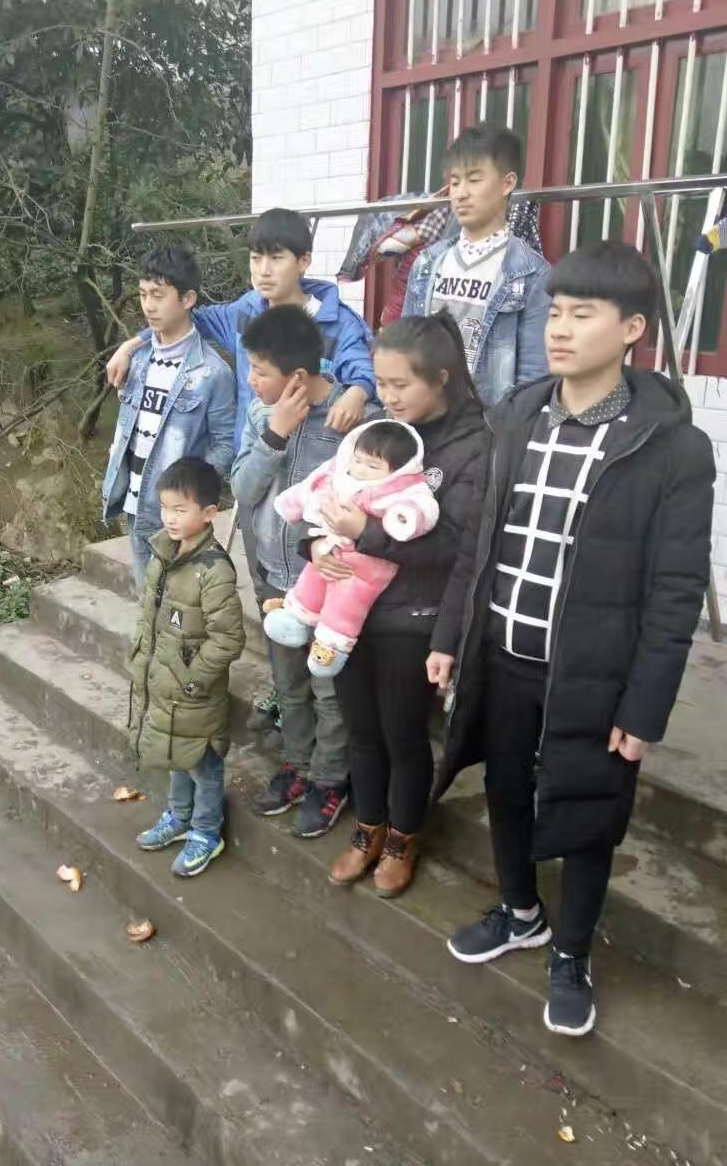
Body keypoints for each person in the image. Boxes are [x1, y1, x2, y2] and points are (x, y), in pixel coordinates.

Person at [426, 241, 714, 1036]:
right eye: (555, 311)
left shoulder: (672, 447)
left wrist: (645, 705)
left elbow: (676, 590)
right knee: (505, 787)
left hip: (592, 673)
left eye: (582, 315)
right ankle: (521, 911)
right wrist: (452, 634)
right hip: (503, 654)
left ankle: (572, 951)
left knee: (589, 811)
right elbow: (480, 542)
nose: (559, 328)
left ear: (633, 329)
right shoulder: (517, 415)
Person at [313, 312, 488, 898]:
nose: (386, 397)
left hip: (412, 617)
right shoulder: (380, 431)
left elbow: (456, 545)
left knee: (402, 732)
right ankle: (368, 826)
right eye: (381, 383)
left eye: (399, 384)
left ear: (440, 378)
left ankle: (403, 836)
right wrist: (320, 544)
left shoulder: (474, 446)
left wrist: (365, 533)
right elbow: (329, 492)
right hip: (348, 609)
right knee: (360, 727)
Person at [231, 305, 377, 838]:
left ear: (296, 376)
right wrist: (274, 435)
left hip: (333, 587)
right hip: (277, 576)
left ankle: (330, 780)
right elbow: (242, 491)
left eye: (259, 370)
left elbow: (375, 501)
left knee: (329, 690)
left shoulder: (353, 421)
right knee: (289, 684)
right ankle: (297, 765)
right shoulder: (260, 415)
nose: (251, 380)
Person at [106, 207, 376, 447]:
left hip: (308, 469)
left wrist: (357, 393)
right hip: (249, 463)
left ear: (303, 261)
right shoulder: (245, 312)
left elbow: (366, 373)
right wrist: (131, 345)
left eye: (276, 258)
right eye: (256, 258)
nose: (264, 270)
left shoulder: (338, 323)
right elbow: (186, 318)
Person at [131, 457, 246, 877]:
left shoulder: (213, 571)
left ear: (209, 513)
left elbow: (228, 638)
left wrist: (194, 680)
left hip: (194, 693)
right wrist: (141, 659)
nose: (170, 518)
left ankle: (206, 831)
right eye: (165, 508)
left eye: (180, 510)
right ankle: (179, 816)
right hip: (163, 682)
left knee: (203, 764)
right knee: (176, 755)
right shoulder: (163, 553)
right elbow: (150, 616)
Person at [262, 419, 440, 678]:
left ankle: (331, 646)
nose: (361, 469)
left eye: (373, 466)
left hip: (365, 566)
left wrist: (402, 519)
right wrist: (296, 509)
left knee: (346, 603)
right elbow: (312, 485)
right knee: (312, 578)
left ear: (399, 470)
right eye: (357, 460)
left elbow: (422, 507)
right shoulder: (339, 471)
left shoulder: (401, 489)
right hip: (329, 546)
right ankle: (295, 616)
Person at [101, 246, 236, 587]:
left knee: (179, 606)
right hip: (134, 504)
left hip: (176, 516)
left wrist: (189, 495)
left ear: (187, 299)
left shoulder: (212, 373)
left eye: (158, 295)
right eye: (143, 294)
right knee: (146, 599)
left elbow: (225, 444)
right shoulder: (137, 359)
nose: (148, 305)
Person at [402, 123, 550, 406]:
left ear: (507, 183)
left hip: (487, 421)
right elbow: (405, 348)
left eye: (474, 179)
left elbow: (533, 379)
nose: (460, 193)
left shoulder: (532, 275)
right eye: (455, 182)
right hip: (425, 416)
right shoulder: (427, 263)